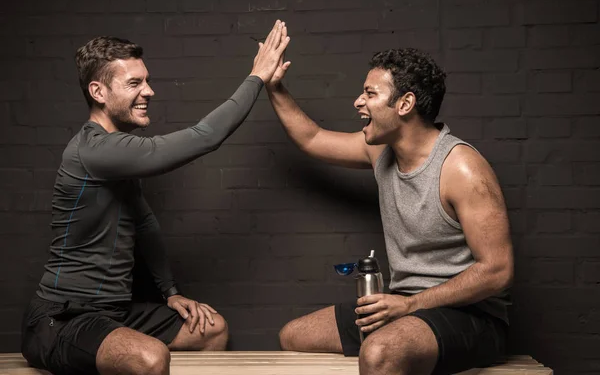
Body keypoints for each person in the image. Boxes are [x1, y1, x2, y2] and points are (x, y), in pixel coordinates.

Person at [20, 20, 290, 375]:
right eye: (134, 83)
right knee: (148, 358)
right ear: (99, 92)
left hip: (115, 311)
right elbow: (204, 136)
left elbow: (145, 223)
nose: (149, 91)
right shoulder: (93, 149)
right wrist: (256, 77)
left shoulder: (117, 158)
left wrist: (170, 292)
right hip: (63, 318)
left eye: (146, 80)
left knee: (211, 331)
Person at [266, 47, 514, 375]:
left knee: (380, 353)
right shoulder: (380, 151)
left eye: (370, 93)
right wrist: (274, 87)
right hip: (403, 305)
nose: (358, 101)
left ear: (405, 104)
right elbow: (312, 138)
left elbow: (497, 271)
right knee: (295, 336)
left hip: (472, 315)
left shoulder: (462, 169)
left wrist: (411, 304)